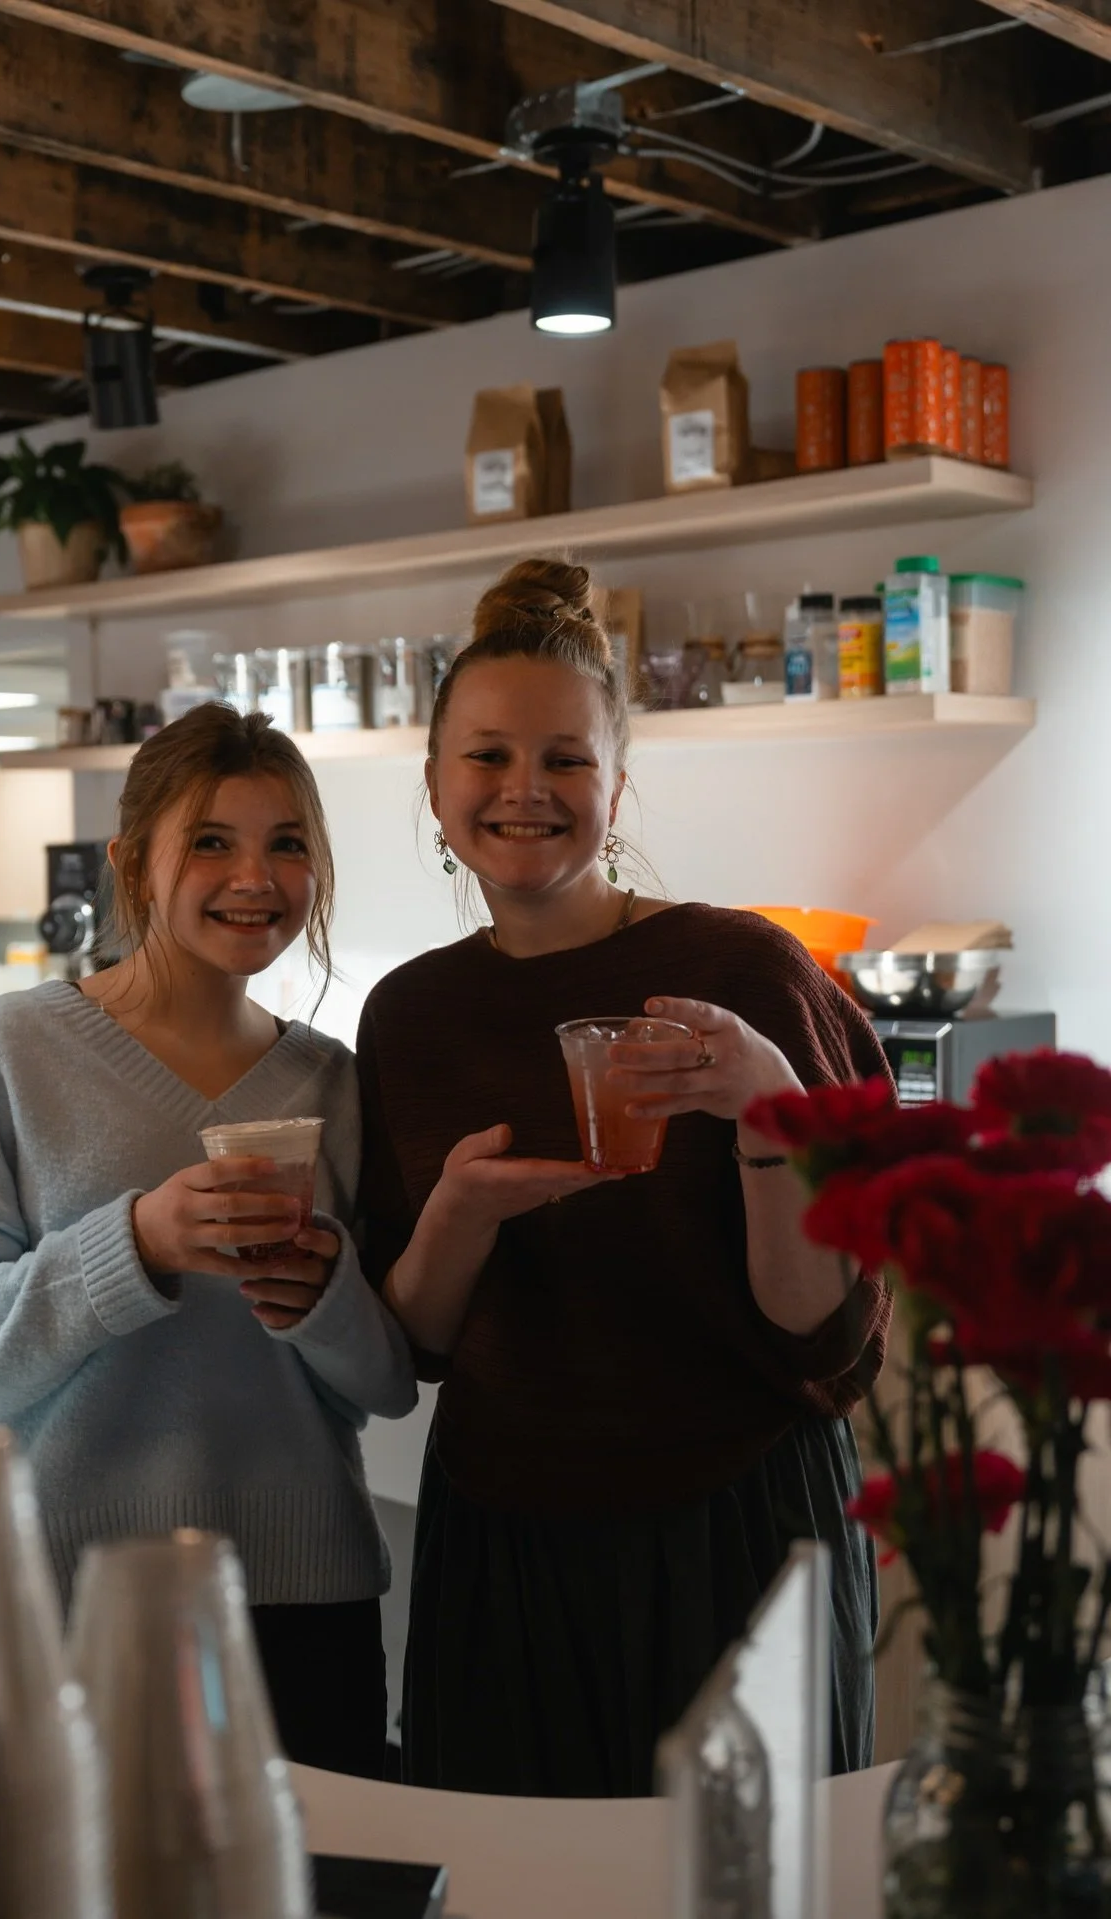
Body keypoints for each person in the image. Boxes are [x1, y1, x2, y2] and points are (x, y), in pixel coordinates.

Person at [357, 559, 891, 1797]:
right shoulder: (411, 1015)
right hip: (506, 1528)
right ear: (434, 783)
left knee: (751, 1881)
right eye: (487, 756)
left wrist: (768, 1111)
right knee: (517, 1879)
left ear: (617, 783)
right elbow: (416, 1344)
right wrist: (461, 1213)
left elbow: (818, 1326)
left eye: (567, 759)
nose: (525, 791)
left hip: (742, 1521)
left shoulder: (743, 970)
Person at [0, 703, 416, 1779]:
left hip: (304, 1602)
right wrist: (135, 1246)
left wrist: (326, 1296)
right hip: (66, 1596)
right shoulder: (7, 1052)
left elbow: (383, 1384)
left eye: (286, 842)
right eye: (211, 839)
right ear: (132, 863)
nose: (255, 875)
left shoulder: (337, 1084)